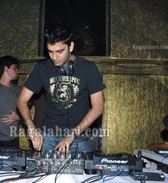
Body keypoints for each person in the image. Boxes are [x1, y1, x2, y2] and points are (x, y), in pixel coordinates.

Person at [17, 24, 106, 153]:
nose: (54, 57)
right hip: (49, 137)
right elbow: (21, 100)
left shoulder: (89, 68)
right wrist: (31, 128)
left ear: (71, 46)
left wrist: (71, 135)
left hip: (78, 137)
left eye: (59, 51)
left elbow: (98, 107)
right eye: (50, 52)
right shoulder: (42, 69)